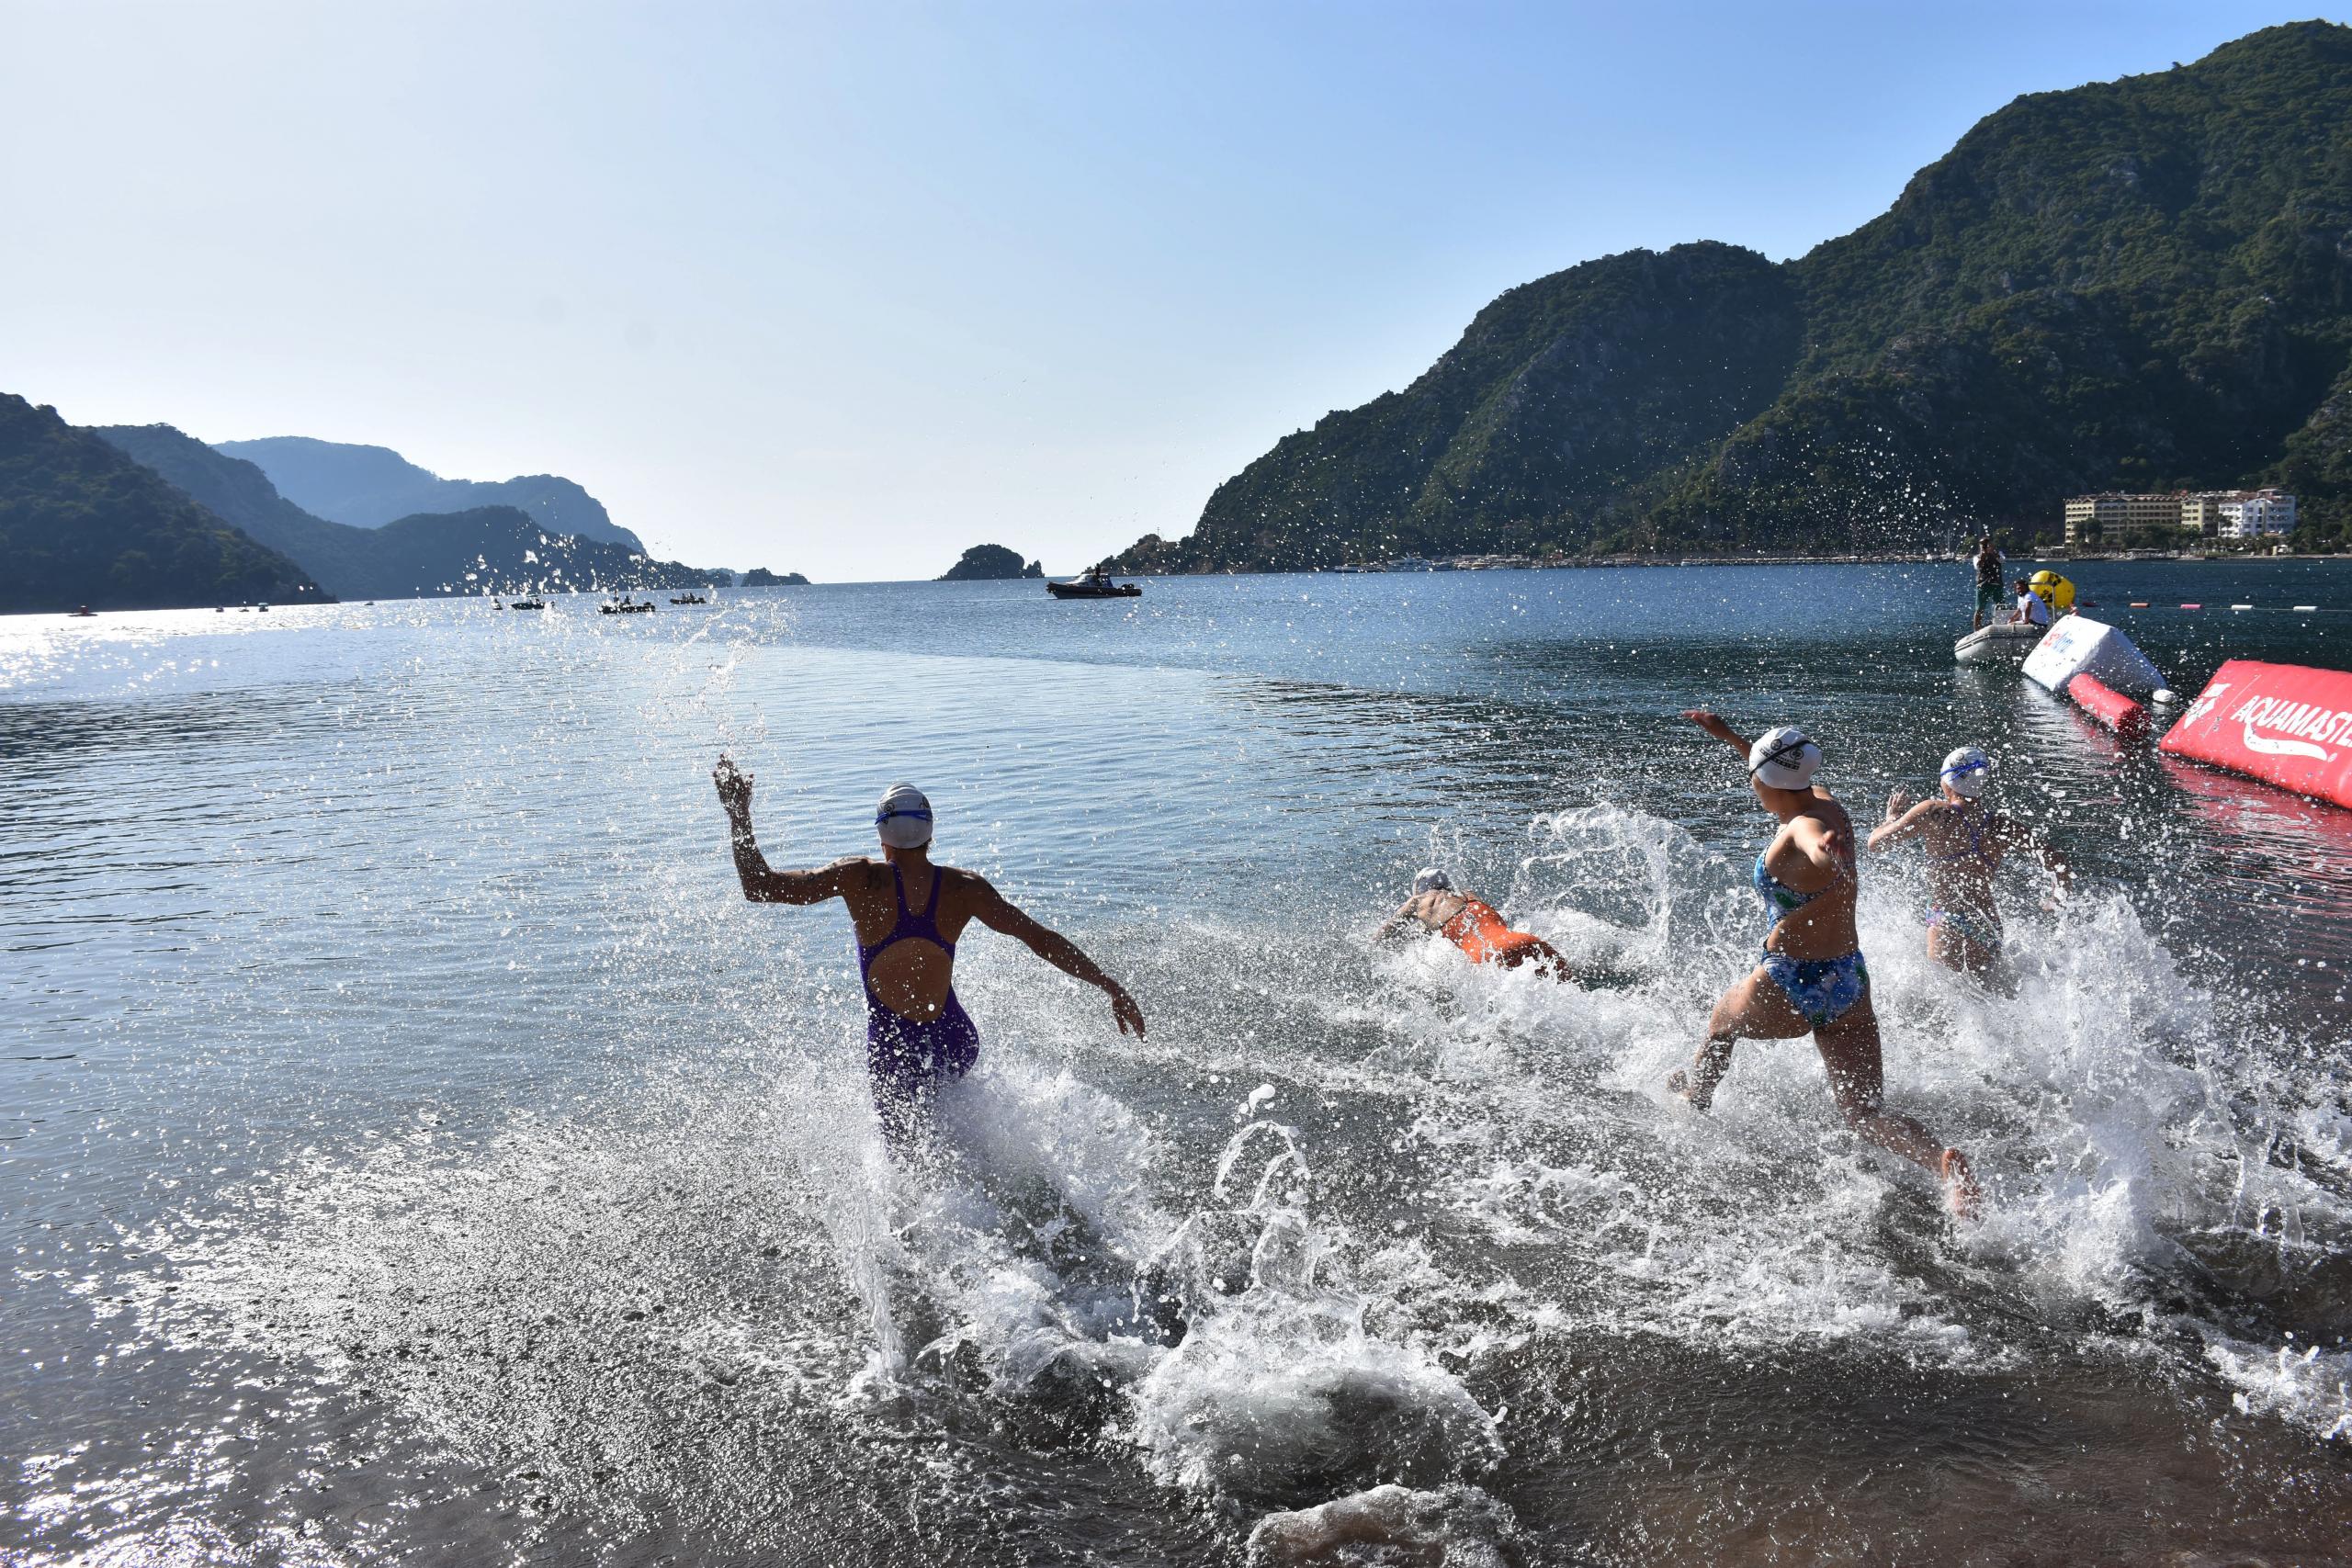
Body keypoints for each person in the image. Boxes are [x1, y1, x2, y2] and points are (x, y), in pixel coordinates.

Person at [714, 758, 1146, 1147]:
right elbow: (1042, 940)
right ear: (930, 831)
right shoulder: (964, 888)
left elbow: (759, 886)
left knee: (910, 1169)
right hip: (955, 1038)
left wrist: (738, 814)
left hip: (894, 1050)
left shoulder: (859, 879)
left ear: (881, 832)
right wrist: (1110, 985)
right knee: (959, 1143)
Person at [1668, 713, 1982, 1219]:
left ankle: (1693, 1104)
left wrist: (1825, 853)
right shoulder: (1824, 800)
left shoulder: (1807, 827)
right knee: (1864, 1112)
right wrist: (1731, 738)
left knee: (1721, 1027)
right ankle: (1942, 1164)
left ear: (1764, 782)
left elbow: (1812, 842)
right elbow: (1785, 783)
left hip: (1790, 978)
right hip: (1849, 978)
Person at [1867, 747, 2071, 983]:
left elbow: (1875, 844)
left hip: (1948, 919)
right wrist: (2056, 897)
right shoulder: (2002, 825)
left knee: (1946, 998)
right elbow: (2057, 861)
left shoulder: (1933, 811)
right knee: (1986, 996)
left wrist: (1891, 819)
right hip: (1988, 925)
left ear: (1948, 781)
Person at [1376, 869, 1577, 981]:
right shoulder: (1469, 895)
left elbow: (1383, 936)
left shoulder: (1418, 901)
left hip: (1489, 958)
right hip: (1529, 941)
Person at [1970, 536, 2005, 630]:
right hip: (1983, 584)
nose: (1986, 547)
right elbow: (1978, 566)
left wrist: (1993, 553)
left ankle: (2001, 624)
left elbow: (2002, 560)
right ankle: (1977, 628)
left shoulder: (1998, 554)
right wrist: (1983, 555)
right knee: (1980, 608)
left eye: (1987, 544)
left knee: (2000, 605)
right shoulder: (1976, 557)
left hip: (1997, 583)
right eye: (1983, 545)